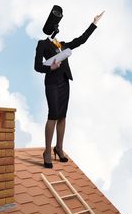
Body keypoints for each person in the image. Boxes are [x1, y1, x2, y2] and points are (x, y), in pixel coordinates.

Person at [34, 11, 104, 168]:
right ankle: (46, 152)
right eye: (55, 27)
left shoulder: (63, 45)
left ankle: (58, 148)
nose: (58, 29)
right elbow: (37, 66)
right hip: (51, 83)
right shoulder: (42, 44)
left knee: (62, 116)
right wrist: (51, 67)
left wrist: (94, 23)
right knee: (52, 115)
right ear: (50, 29)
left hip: (64, 82)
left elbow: (81, 40)